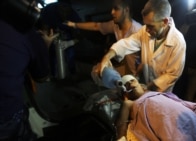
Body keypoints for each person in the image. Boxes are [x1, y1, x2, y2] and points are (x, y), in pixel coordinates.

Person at [95, 0, 186, 92]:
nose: (146, 30)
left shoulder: (178, 42)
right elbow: (127, 43)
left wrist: (148, 87)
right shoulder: (145, 31)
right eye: (146, 25)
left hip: (161, 92)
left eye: (150, 26)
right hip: (145, 86)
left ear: (165, 22)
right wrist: (107, 56)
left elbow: (172, 75)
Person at [0, 0, 58, 140]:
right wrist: (46, 46)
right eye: (34, 5)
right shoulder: (28, 33)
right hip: (7, 118)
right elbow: (42, 77)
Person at [115, 74, 196, 141]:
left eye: (132, 80)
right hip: (173, 130)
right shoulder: (131, 104)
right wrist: (126, 103)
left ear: (140, 84)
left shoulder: (159, 94)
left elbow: (182, 103)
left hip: (191, 120)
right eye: (126, 85)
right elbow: (121, 135)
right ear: (125, 93)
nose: (130, 83)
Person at [65, 0, 142, 76]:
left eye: (116, 9)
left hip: (140, 76)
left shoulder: (138, 31)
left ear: (126, 10)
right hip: (128, 72)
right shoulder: (115, 26)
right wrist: (74, 24)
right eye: (112, 9)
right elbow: (97, 26)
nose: (112, 12)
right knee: (97, 72)